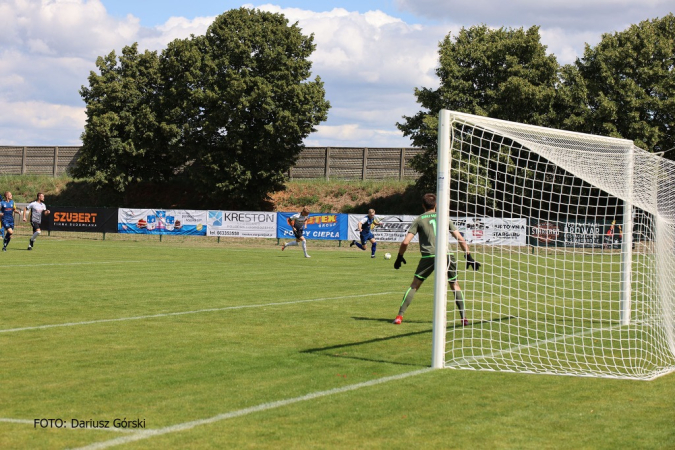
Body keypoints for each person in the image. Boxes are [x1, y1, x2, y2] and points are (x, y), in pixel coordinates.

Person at [392, 193, 481, 325]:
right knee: (454, 285)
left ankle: (399, 316)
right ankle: (464, 318)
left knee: (415, 285)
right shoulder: (444, 218)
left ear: (423, 205)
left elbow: (405, 242)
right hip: (447, 255)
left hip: (429, 256)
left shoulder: (419, 219)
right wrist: (469, 256)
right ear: (436, 205)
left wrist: (399, 257)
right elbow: (460, 239)